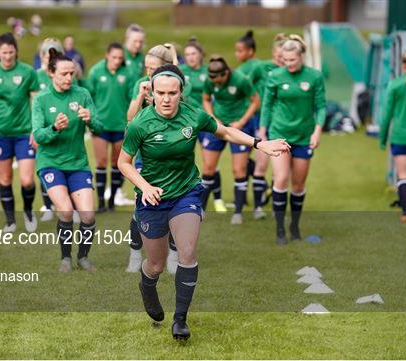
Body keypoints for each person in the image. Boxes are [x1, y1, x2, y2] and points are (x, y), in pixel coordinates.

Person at [117, 64, 289, 340]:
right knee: (156, 264)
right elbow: (123, 162)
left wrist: (260, 144)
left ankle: (180, 320)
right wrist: (145, 186)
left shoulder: (193, 115)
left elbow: (226, 132)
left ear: (181, 92)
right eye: (160, 92)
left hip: (186, 193)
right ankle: (147, 285)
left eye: (172, 93)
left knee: (187, 252)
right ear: (151, 92)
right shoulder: (140, 123)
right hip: (152, 199)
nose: (166, 98)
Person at [32, 49, 103, 272]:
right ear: (51, 73)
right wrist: (54, 128)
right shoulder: (41, 99)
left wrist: (90, 120)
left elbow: (99, 127)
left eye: (72, 73)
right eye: (64, 74)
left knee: (88, 216)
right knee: (65, 211)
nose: (69, 78)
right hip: (50, 162)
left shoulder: (82, 94)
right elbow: (38, 136)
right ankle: (65, 258)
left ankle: (83, 257)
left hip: (78, 163)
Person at [125, 43, 190, 274]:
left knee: (175, 206)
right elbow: (130, 119)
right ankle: (135, 253)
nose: (149, 72)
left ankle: (173, 254)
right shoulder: (141, 84)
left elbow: (180, 103)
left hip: (174, 156)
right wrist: (142, 95)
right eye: (147, 67)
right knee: (141, 205)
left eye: (154, 68)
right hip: (146, 156)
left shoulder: (173, 86)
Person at [259, 35, 326, 244]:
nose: (288, 64)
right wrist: (263, 129)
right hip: (279, 133)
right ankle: (280, 229)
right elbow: (267, 105)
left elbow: (321, 106)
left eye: (292, 60)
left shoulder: (314, 77)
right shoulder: (275, 76)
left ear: (301, 57)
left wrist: (317, 131)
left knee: (298, 185)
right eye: (285, 60)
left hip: (304, 136)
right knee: (280, 180)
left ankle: (294, 226)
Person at [0, 32, 40, 233]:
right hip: (0, 133)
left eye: (11, 52)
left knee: (27, 180)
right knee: (4, 179)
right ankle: (10, 220)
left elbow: (36, 101)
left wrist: (37, 129)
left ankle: (28, 211)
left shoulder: (28, 72)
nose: (7, 56)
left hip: (24, 133)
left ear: (16, 52)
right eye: (4, 52)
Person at [201, 56, 260, 224]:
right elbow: (205, 98)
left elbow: (255, 101)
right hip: (217, 126)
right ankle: (200, 210)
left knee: (239, 170)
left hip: (239, 127)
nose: (215, 84)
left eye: (218, 80)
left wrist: (242, 121)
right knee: (208, 167)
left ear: (225, 73)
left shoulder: (241, 80)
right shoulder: (211, 80)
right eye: (212, 80)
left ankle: (238, 212)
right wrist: (212, 117)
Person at [180, 37, 228, 213]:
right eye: (187, 55)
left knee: (210, 164)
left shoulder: (209, 72)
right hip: (186, 122)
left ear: (201, 54)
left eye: (193, 53)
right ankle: (184, 197)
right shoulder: (180, 72)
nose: (190, 57)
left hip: (206, 121)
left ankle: (218, 199)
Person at [86, 42, 134, 212]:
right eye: (114, 57)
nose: (117, 60)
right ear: (107, 55)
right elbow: (88, 97)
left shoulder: (127, 73)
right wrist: (90, 119)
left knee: (116, 163)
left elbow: (132, 99)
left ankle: (112, 200)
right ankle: (100, 202)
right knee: (101, 162)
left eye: (120, 58)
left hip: (121, 126)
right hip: (101, 125)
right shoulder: (95, 72)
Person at [249, 33, 288, 219]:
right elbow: (245, 85)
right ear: (273, 52)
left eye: (285, 55)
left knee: (280, 169)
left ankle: (275, 206)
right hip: (261, 121)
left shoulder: (289, 72)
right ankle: (258, 207)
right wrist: (253, 102)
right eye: (279, 55)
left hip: (282, 124)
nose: (282, 59)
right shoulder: (261, 67)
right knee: (261, 165)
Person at [379, 51, 406, 224]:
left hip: (401, 137)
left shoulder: (395, 85)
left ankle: (405, 214)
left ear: (404, 66)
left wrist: (382, 138)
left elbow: (386, 115)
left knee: (403, 175)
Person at [35, 38, 64, 222]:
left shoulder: (66, 75)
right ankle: (47, 206)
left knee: (65, 164)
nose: (49, 59)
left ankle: (67, 204)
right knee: (44, 165)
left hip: (63, 128)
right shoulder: (35, 76)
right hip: (42, 129)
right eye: (46, 55)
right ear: (41, 57)